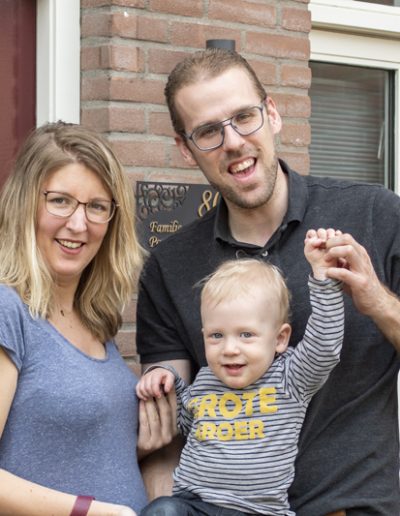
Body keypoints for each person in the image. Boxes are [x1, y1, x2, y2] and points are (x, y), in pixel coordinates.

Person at [136, 48, 400, 516]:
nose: (234, 142)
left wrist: (376, 299)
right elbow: (169, 430)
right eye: (209, 132)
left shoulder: (375, 214)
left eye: (244, 117)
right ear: (185, 148)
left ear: (272, 114)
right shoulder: (169, 265)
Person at [0, 122, 175, 516]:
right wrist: (93, 511)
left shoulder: (93, 319)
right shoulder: (8, 309)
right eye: (60, 201)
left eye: (97, 207)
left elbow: (61, 449)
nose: (79, 224)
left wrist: (137, 444)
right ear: (25, 201)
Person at [137, 228, 344, 516]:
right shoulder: (207, 378)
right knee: (161, 510)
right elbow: (185, 422)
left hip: (258, 511)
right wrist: (167, 381)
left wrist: (323, 277)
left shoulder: (289, 378)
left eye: (246, 335)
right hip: (194, 506)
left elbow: (325, 345)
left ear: (280, 338)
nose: (229, 349)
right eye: (216, 336)